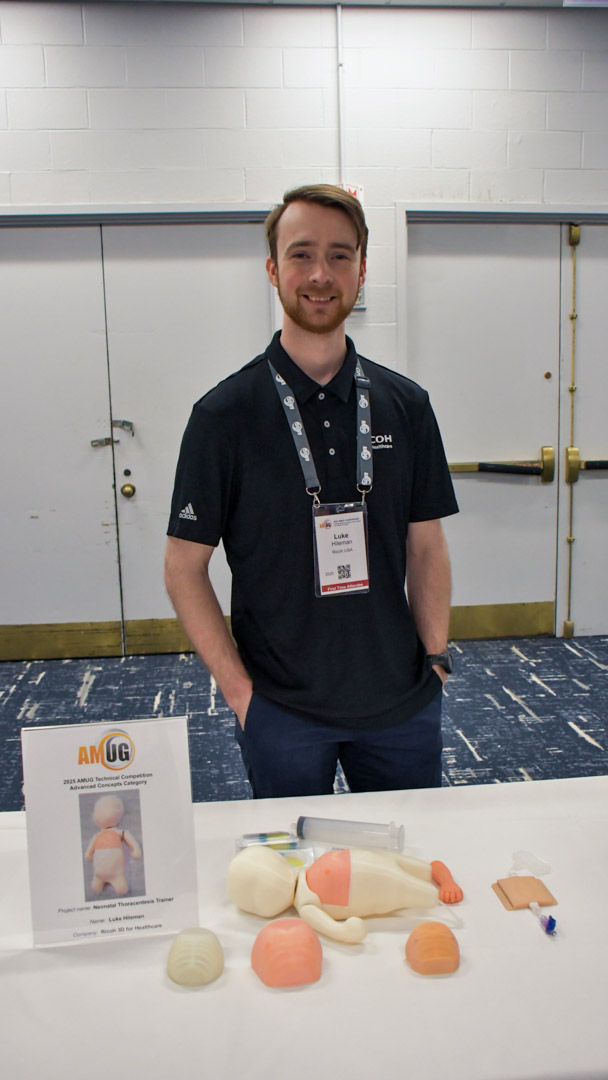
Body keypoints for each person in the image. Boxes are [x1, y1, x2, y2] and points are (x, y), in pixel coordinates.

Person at [165, 184, 458, 798]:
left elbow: (427, 546)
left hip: (400, 705)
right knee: (294, 859)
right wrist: (241, 694)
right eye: (301, 254)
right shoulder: (223, 416)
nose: (321, 274)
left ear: (362, 271)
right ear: (273, 269)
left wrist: (435, 660)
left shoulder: (407, 406)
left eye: (339, 255)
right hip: (281, 710)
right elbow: (183, 567)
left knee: (406, 854)